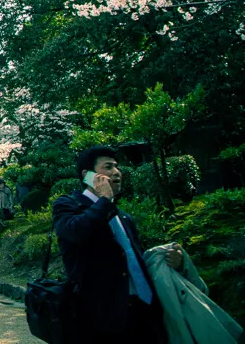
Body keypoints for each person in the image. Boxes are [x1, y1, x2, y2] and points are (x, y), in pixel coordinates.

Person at [52, 146, 174, 340]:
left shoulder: (123, 216)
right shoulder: (68, 206)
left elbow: (134, 259)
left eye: (117, 167)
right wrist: (104, 199)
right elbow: (76, 232)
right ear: (88, 176)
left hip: (144, 309)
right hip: (104, 317)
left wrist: (169, 261)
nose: (117, 172)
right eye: (108, 167)